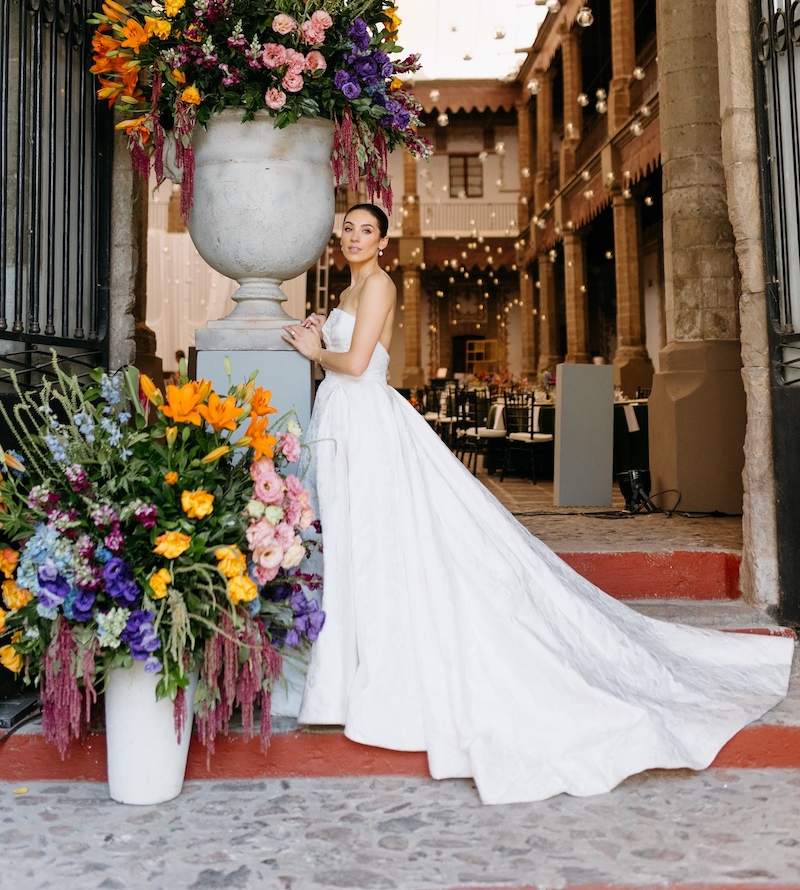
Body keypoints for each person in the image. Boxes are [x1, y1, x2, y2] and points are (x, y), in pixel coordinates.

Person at [283, 204, 793, 805]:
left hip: (364, 417)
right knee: (354, 538)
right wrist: (321, 333)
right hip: (342, 416)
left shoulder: (381, 284)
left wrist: (316, 350)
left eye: (365, 229)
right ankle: (346, 670)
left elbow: (357, 363)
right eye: (346, 228)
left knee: (374, 536)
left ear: (384, 240)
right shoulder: (349, 287)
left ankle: (374, 673)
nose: (352, 236)